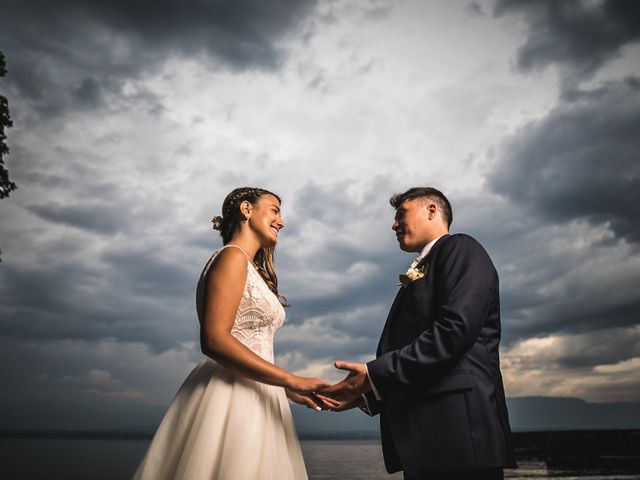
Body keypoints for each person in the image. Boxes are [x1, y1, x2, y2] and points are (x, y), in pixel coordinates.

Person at [132, 187, 331, 480]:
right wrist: (290, 378)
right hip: (232, 395)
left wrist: (284, 389)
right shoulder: (232, 258)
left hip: (260, 392)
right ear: (247, 210)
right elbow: (214, 339)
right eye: (275, 210)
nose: (282, 222)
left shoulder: (246, 265)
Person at [319, 187, 517, 480]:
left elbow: (454, 330)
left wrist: (374, 376)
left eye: (401, 214)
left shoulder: (461, 248)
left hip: (459, 435)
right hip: (428, 442)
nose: (394, 224)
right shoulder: (423, 267)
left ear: (432, 210)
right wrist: (367, 395)